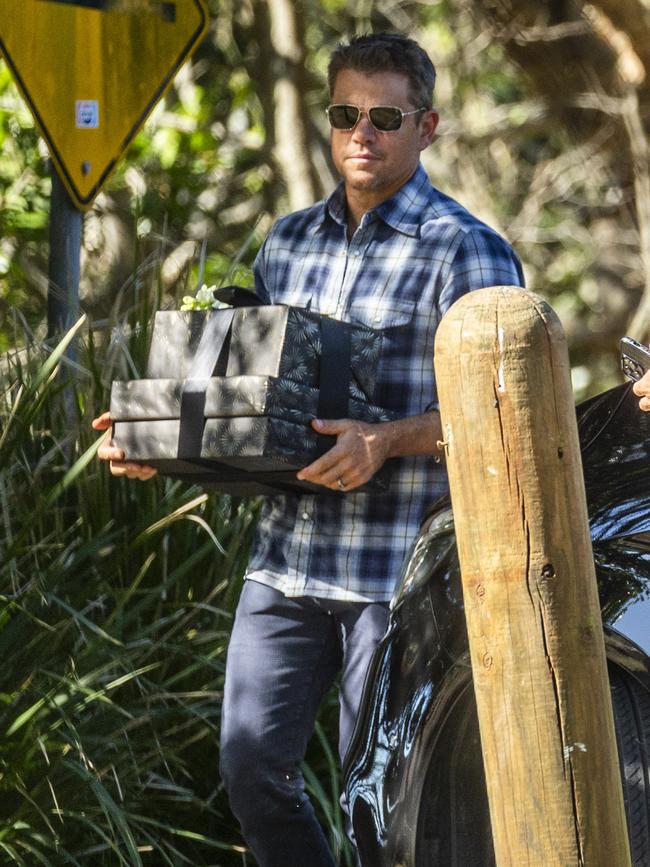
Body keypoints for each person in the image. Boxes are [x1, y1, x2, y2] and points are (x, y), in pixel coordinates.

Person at [93, 33, 524, 867]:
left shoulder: (467, 249)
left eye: (385, 116)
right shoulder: (286, 243)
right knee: (250, 766)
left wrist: (386, 441)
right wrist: (166, 443)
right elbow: (256, 405)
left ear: (426, 126)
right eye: (345, 114)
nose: (362, 132)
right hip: (285, 564)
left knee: (382, 804)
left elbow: (507, 413)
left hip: (394, 577)